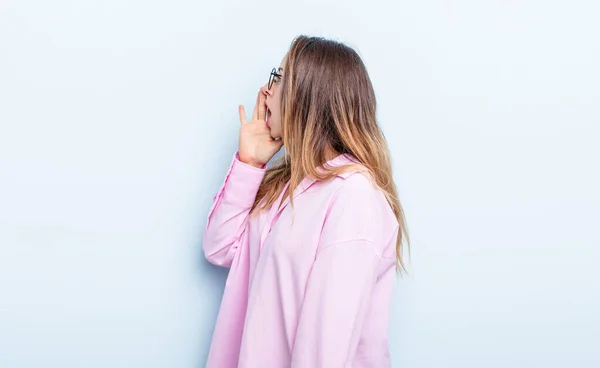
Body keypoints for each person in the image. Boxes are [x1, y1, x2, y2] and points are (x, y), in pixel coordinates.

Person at [202, 35, 410, 368]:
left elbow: (323, 352)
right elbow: (218, 248)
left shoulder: (353, 195)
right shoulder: (285, 187)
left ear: (308, 95)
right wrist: (250, 163)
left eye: (278, 78)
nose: (266, 91)